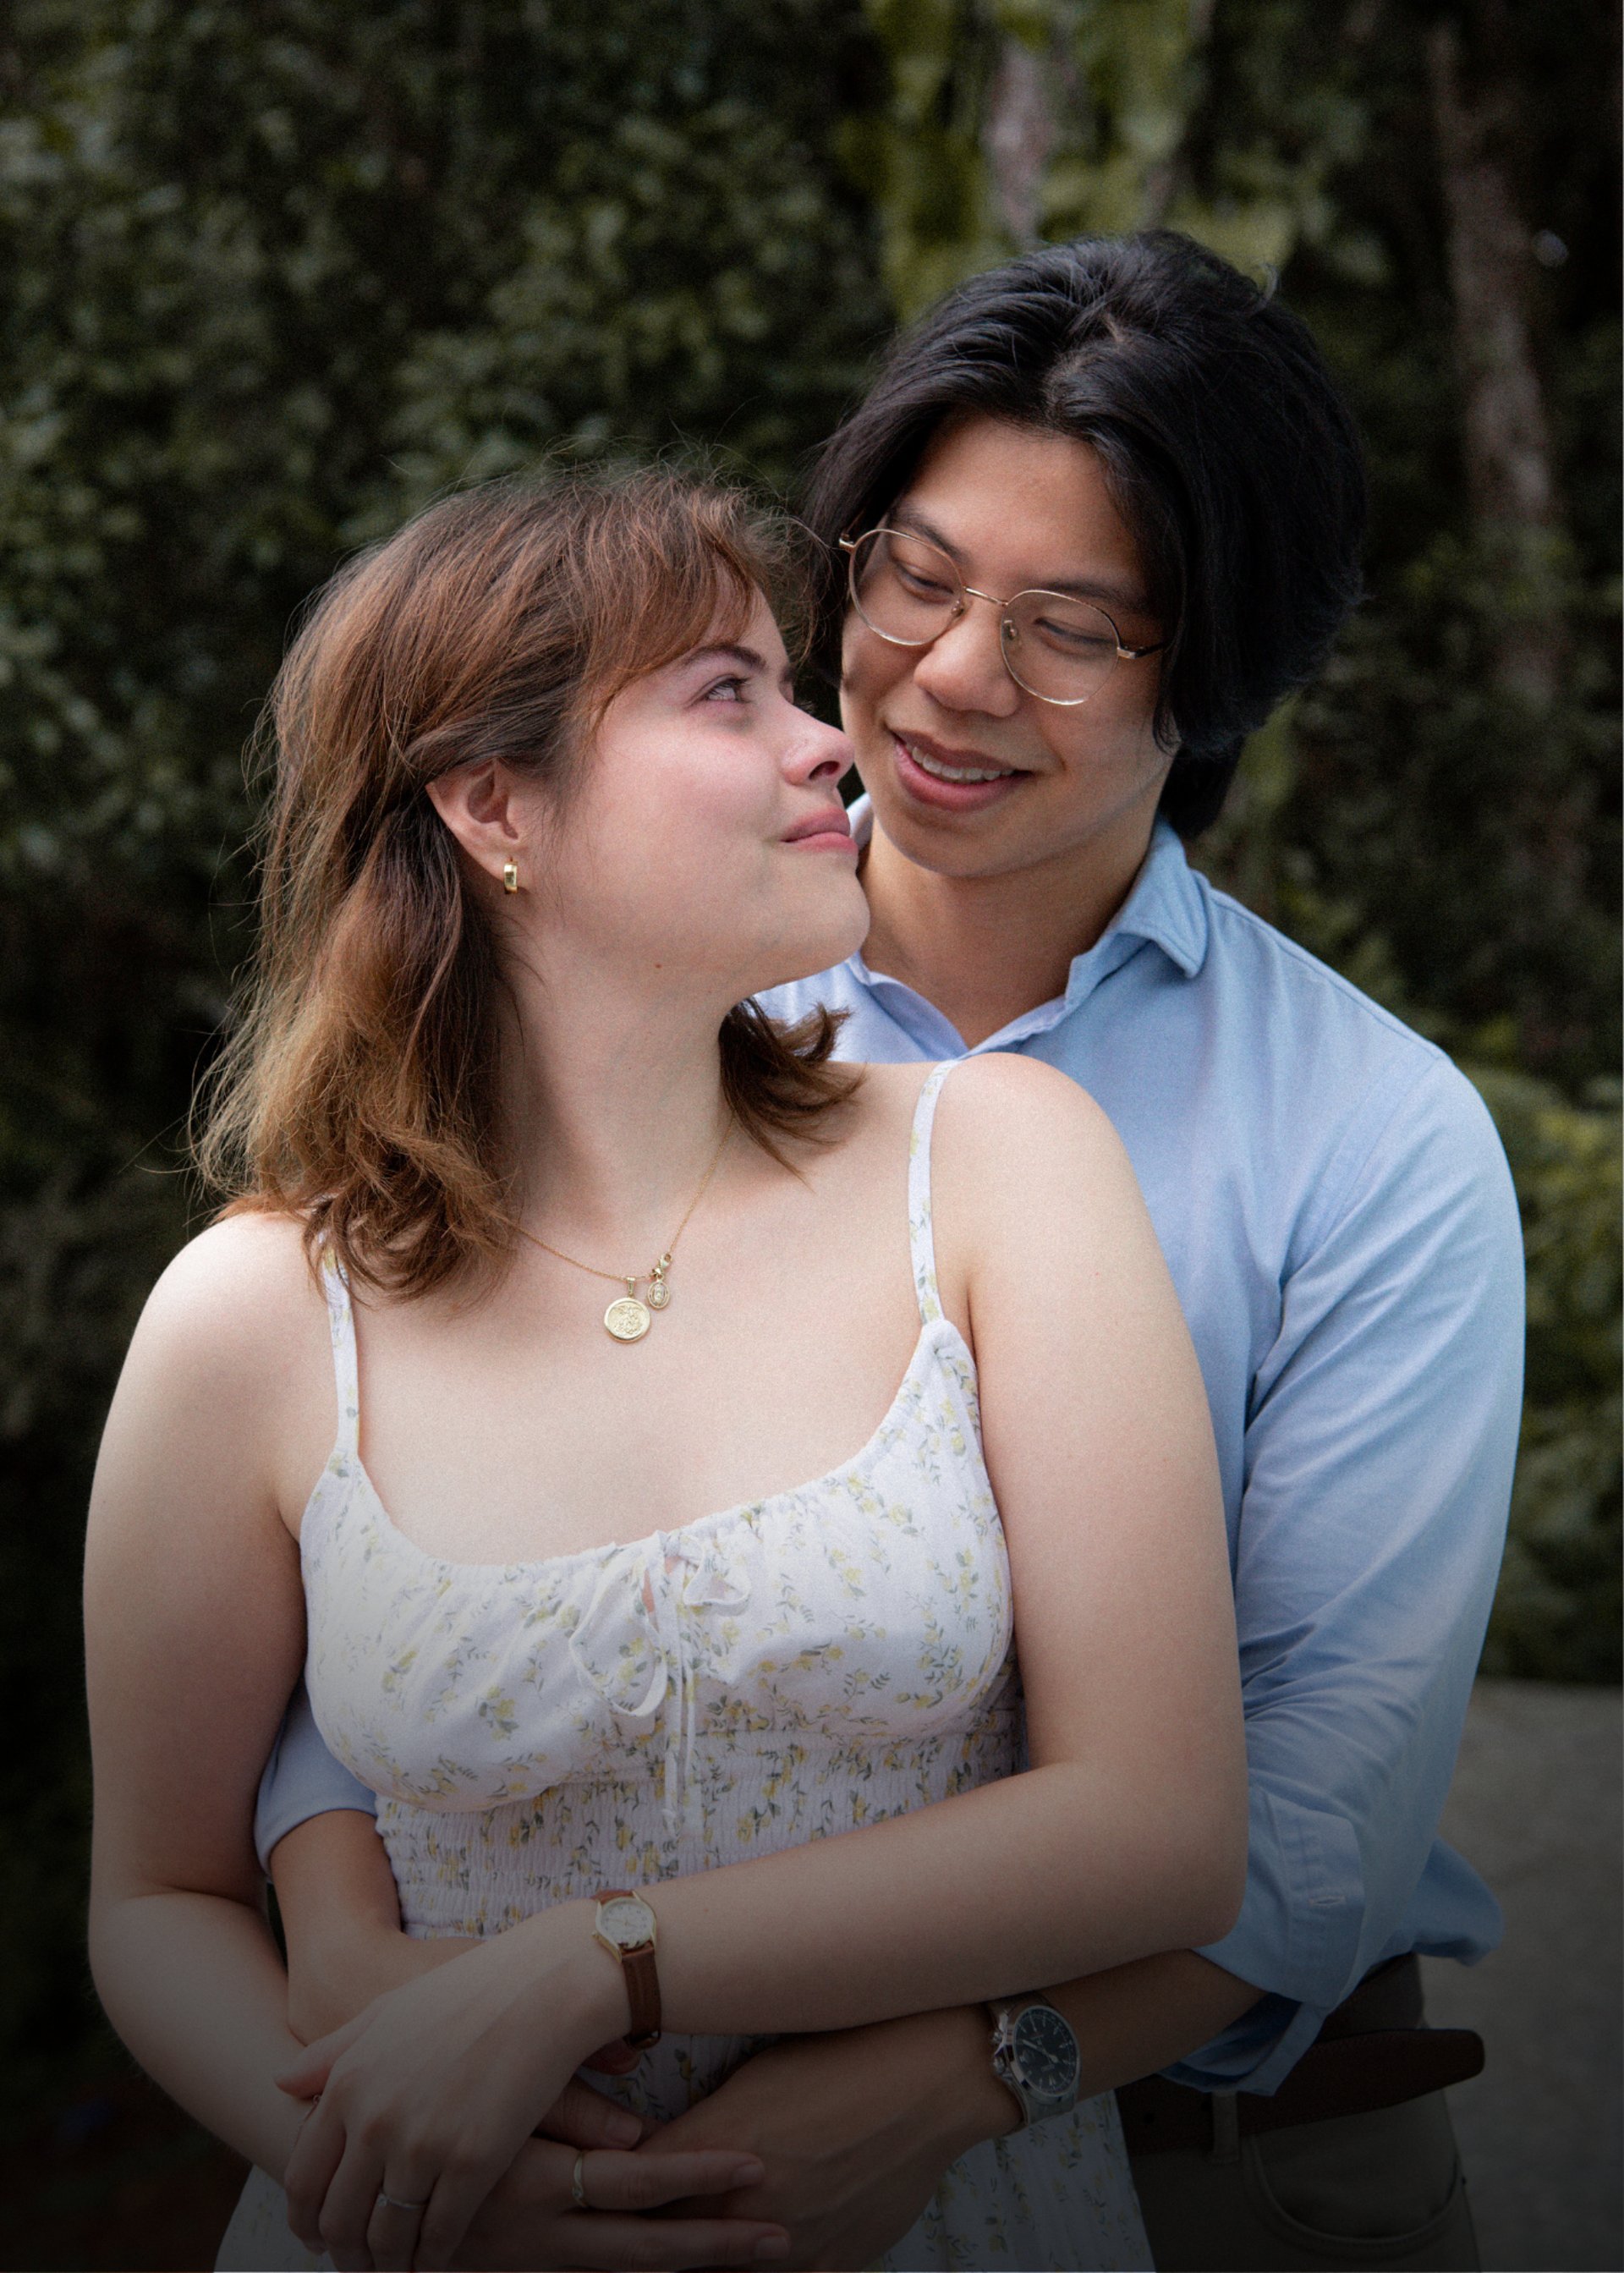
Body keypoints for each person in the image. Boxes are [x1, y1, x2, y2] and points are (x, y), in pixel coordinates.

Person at [258, 232, 1526, 2271]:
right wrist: (342, 1951)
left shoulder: (1369, 1144)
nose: (949, 675)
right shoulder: (647, 980)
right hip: (574, 2134)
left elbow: (1312, 1816)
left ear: (1212, 675)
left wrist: (964, 2078)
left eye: (1073, 627)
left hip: (1230, 2165)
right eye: (914, 576)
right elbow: (367, 1514)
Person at [85, 465, 1249, 2273]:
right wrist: (386, 2171)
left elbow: (1165, 1831)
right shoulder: (248, 1321)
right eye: (730, 694)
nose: (828, 749)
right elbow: (157, 1897)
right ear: (494, 807)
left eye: (794, 688)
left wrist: (588, 1967)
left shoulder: (1002, 1166)